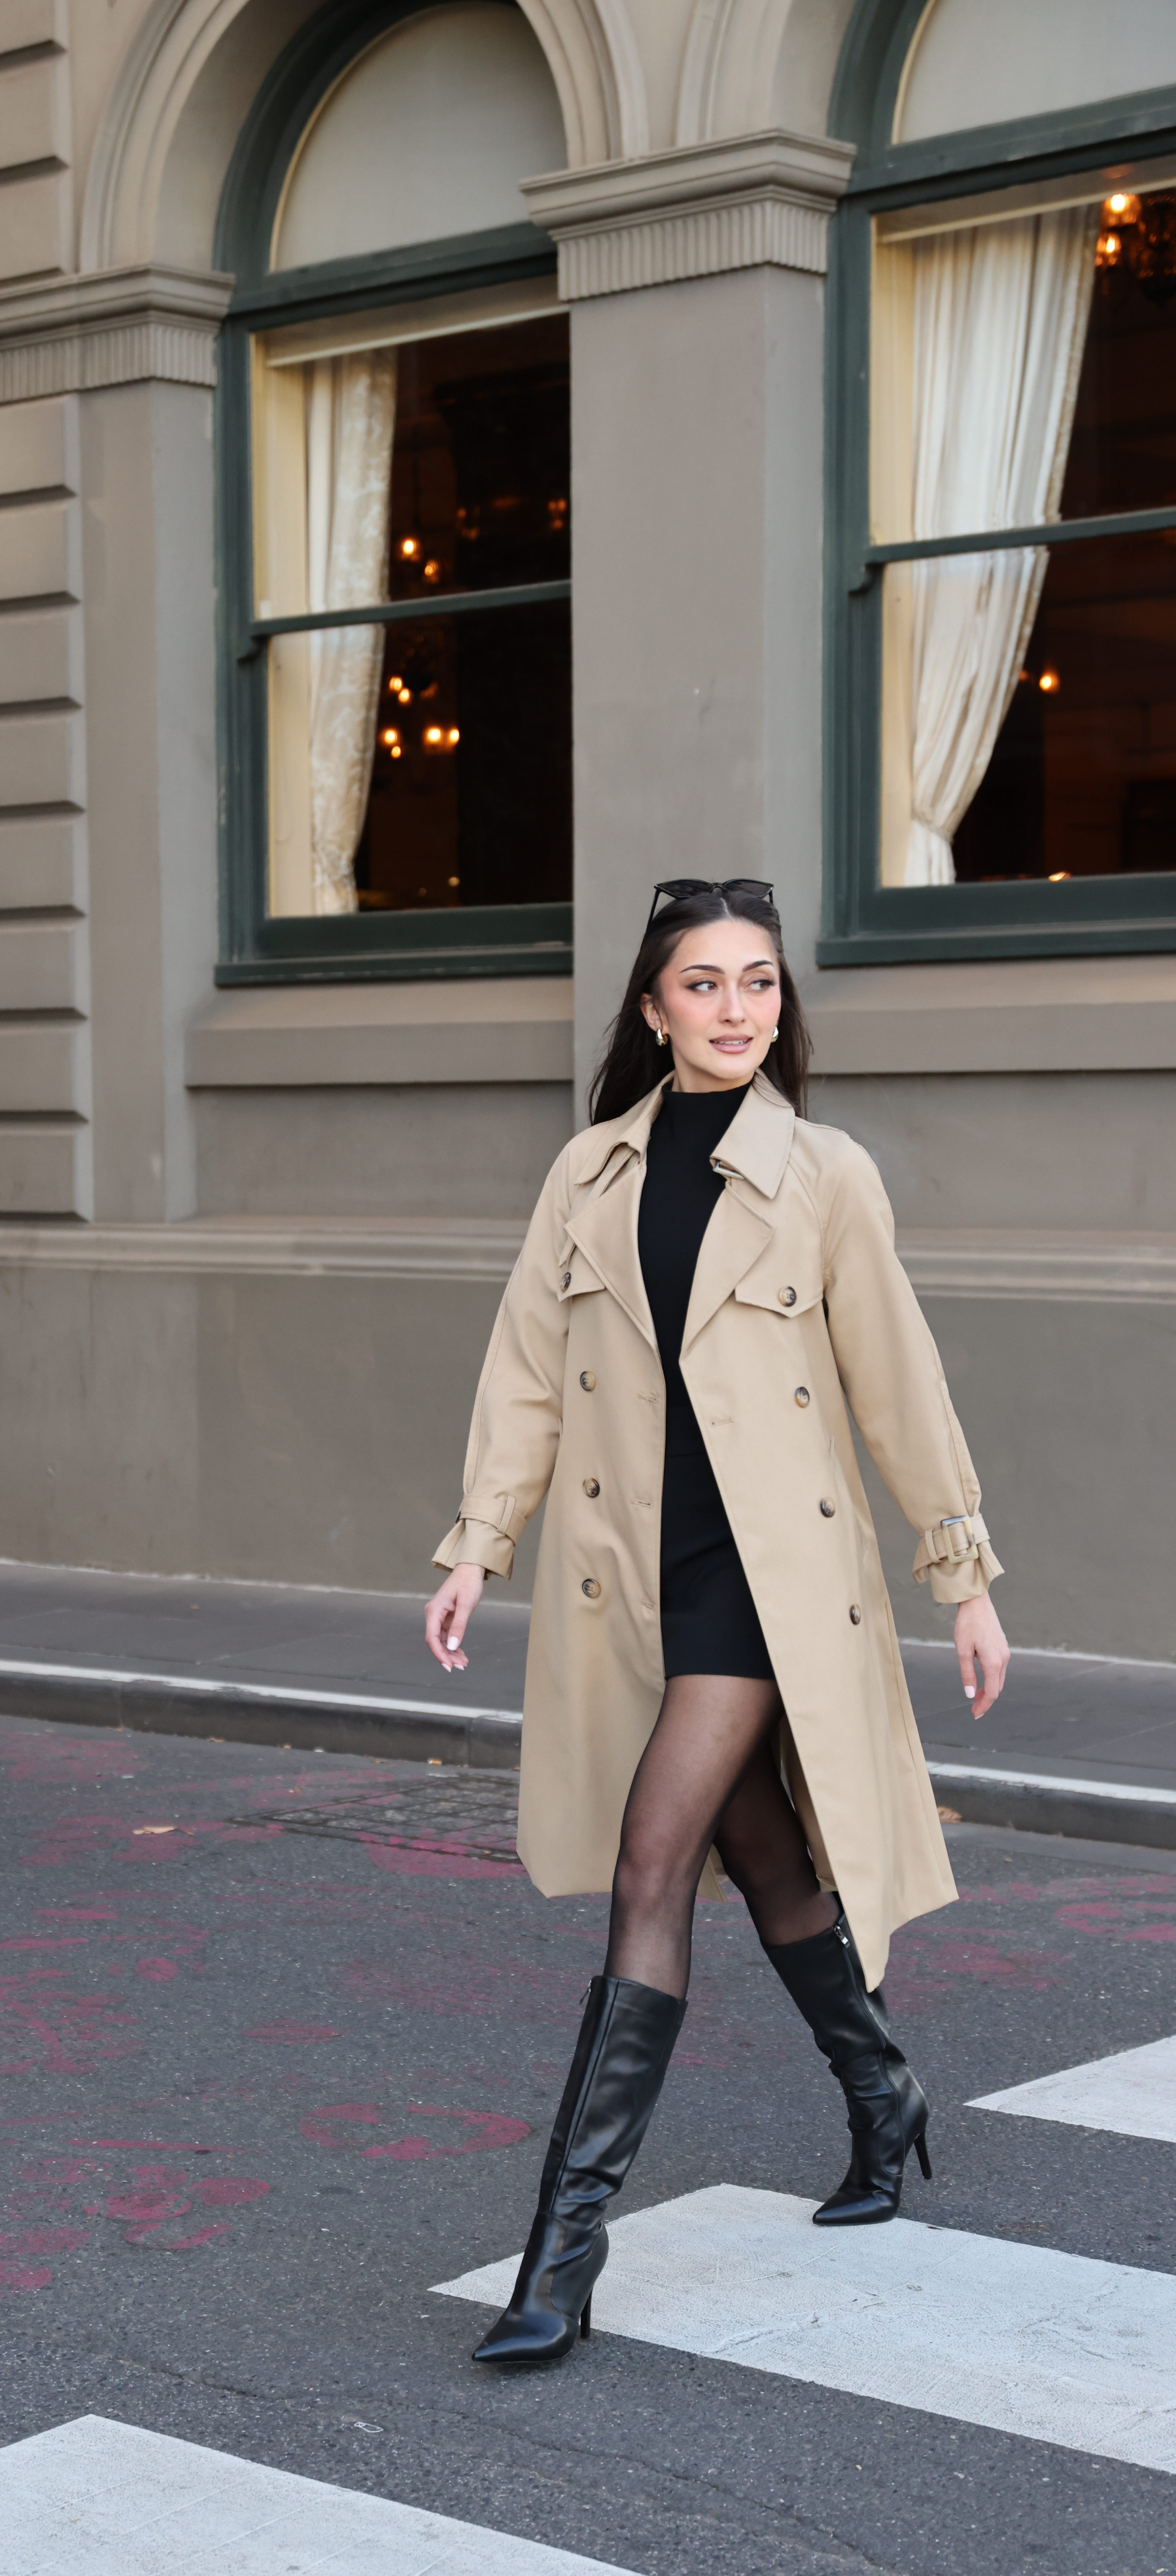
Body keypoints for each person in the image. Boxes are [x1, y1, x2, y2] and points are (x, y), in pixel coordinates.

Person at [423, 877, 1009, 2371]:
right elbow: (525, 1373)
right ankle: (880, 2090)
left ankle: (561, 2252)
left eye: (758, 980)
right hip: (635, 1570)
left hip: (768, 1577)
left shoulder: (822, 1173)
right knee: (762, 1853)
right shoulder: (590, 1171)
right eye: (704, 982)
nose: (736, 1006)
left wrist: (961, 1572)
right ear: (652, 1007)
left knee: (652, 1858)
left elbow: (899, 1381)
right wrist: (478, 1543)